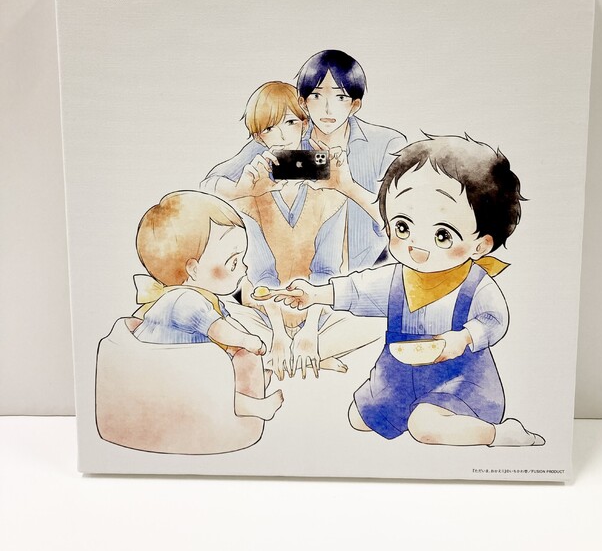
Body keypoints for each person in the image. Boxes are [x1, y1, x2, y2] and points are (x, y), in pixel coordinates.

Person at [272, 135, 545, 447]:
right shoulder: (397, 278)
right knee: (358, 418)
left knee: (424, 426)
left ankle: (500, 434)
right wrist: (313, 294)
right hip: (399, 376)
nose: (417, 246)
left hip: (460, 379)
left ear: (480, 245)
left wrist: (465, 338)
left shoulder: (476, 284)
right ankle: (412, 410)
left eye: (442, 235)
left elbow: (495, 320)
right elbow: (357, 290)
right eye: (403, 227)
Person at [203, 82, 381, 379]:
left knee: (375, 323)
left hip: (319, 311)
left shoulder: (329, 192)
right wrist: (278, 335)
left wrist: (309, 332)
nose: (282, 135)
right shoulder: (253, 193)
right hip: (264, 311)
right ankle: (300, 354)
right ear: (259, 137)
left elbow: (327, 269)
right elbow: (261, 274)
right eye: (269, 129)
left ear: (304, 123)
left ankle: (301, 353)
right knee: (221, 319)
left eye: (290, 123)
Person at [201, 50, 407, 273]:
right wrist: (241, 190)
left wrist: (348, 188)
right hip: (299, 274)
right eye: (317, 96)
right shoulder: (287, 135)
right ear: (303, 101)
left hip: (373, 266)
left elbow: (404, 219)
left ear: (355, 105)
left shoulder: (386, 143)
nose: (328, 109)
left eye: (340, 97)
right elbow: (209, 185)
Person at [133, 190, 284, 422]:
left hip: (186, 364)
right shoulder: (183, 299)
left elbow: (226, 321)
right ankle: (254, 406)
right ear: (193, 269)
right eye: (233, 262)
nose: (244, 268)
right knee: (212, 387)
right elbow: (218, 328)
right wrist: (246, 340)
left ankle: (249, 386)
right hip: (168, 372)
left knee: (230, 362)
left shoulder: (202, 297)